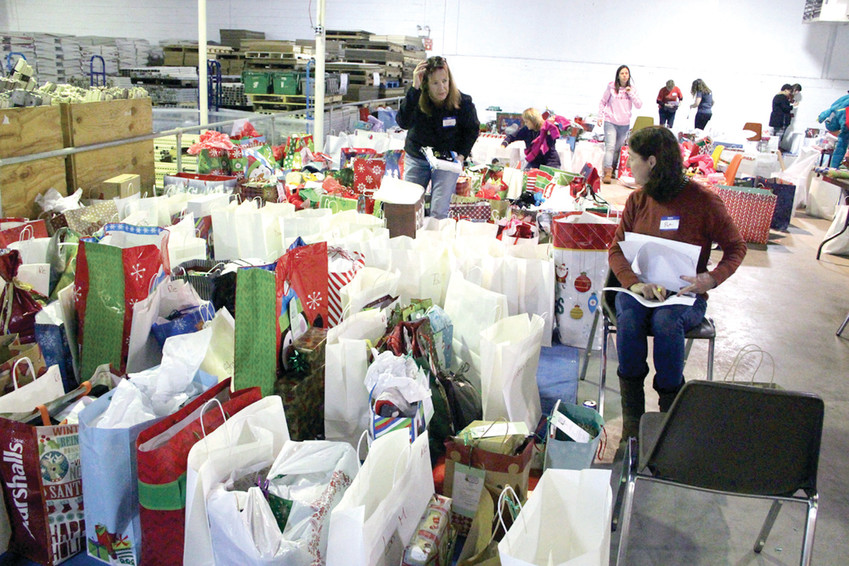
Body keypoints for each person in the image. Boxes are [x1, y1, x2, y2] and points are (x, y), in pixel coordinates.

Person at [608, 126, 747, 442]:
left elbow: (736, 248)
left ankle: (669, 416)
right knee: (629, 320)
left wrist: (710, 278)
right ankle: (633, 420)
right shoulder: (637, 200)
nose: (628, 164)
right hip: (640, 289)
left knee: (666, 322)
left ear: (652, 161)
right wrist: (633, 284)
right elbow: (616, 249)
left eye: (632, 158)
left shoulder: (705, 202)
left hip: (684, 296)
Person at [396, 55, 480, 219]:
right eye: (435, 83)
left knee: (439, 210)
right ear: (426, 84)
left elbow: (472, 129)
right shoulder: (417, 98)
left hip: (446, 161)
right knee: (409, 206)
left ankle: (436, 240)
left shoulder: (463, 102)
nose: (442, 88)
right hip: (418, 157)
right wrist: (414, 88)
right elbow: (403, 122)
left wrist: (462, 155)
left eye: (445, 81)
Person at [598, 64, 642, 184]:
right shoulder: (611, 87)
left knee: (617, 148)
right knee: (610, 147)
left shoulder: (632, 89)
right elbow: (602, 102)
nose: (624, 76)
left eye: (626, 73)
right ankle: (607, 171)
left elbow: (639, 105)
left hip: (624, 123)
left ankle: (612, 170)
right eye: (622, 73)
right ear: (618, 75)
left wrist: (630, 93)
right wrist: (600, 117)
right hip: (610, 121)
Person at [818, 90, 849, 168]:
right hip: (844, 122)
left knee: (841, 144)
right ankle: (834, 166)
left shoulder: (842, 100)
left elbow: (830, 110)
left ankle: (834, 166)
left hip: (843, 123)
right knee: (842, 144)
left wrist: (820, 118)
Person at [770, 84, 794, 151]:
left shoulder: (777, 96)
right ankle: (776, 150)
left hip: (775, 119)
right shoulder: (782, 97)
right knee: (779, 136)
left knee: (775, 136)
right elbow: (785, 108)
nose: (790, 93)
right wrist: (792, 106)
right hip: (780, 120)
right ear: (786, 90)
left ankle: (773, 149)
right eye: (790, 91)